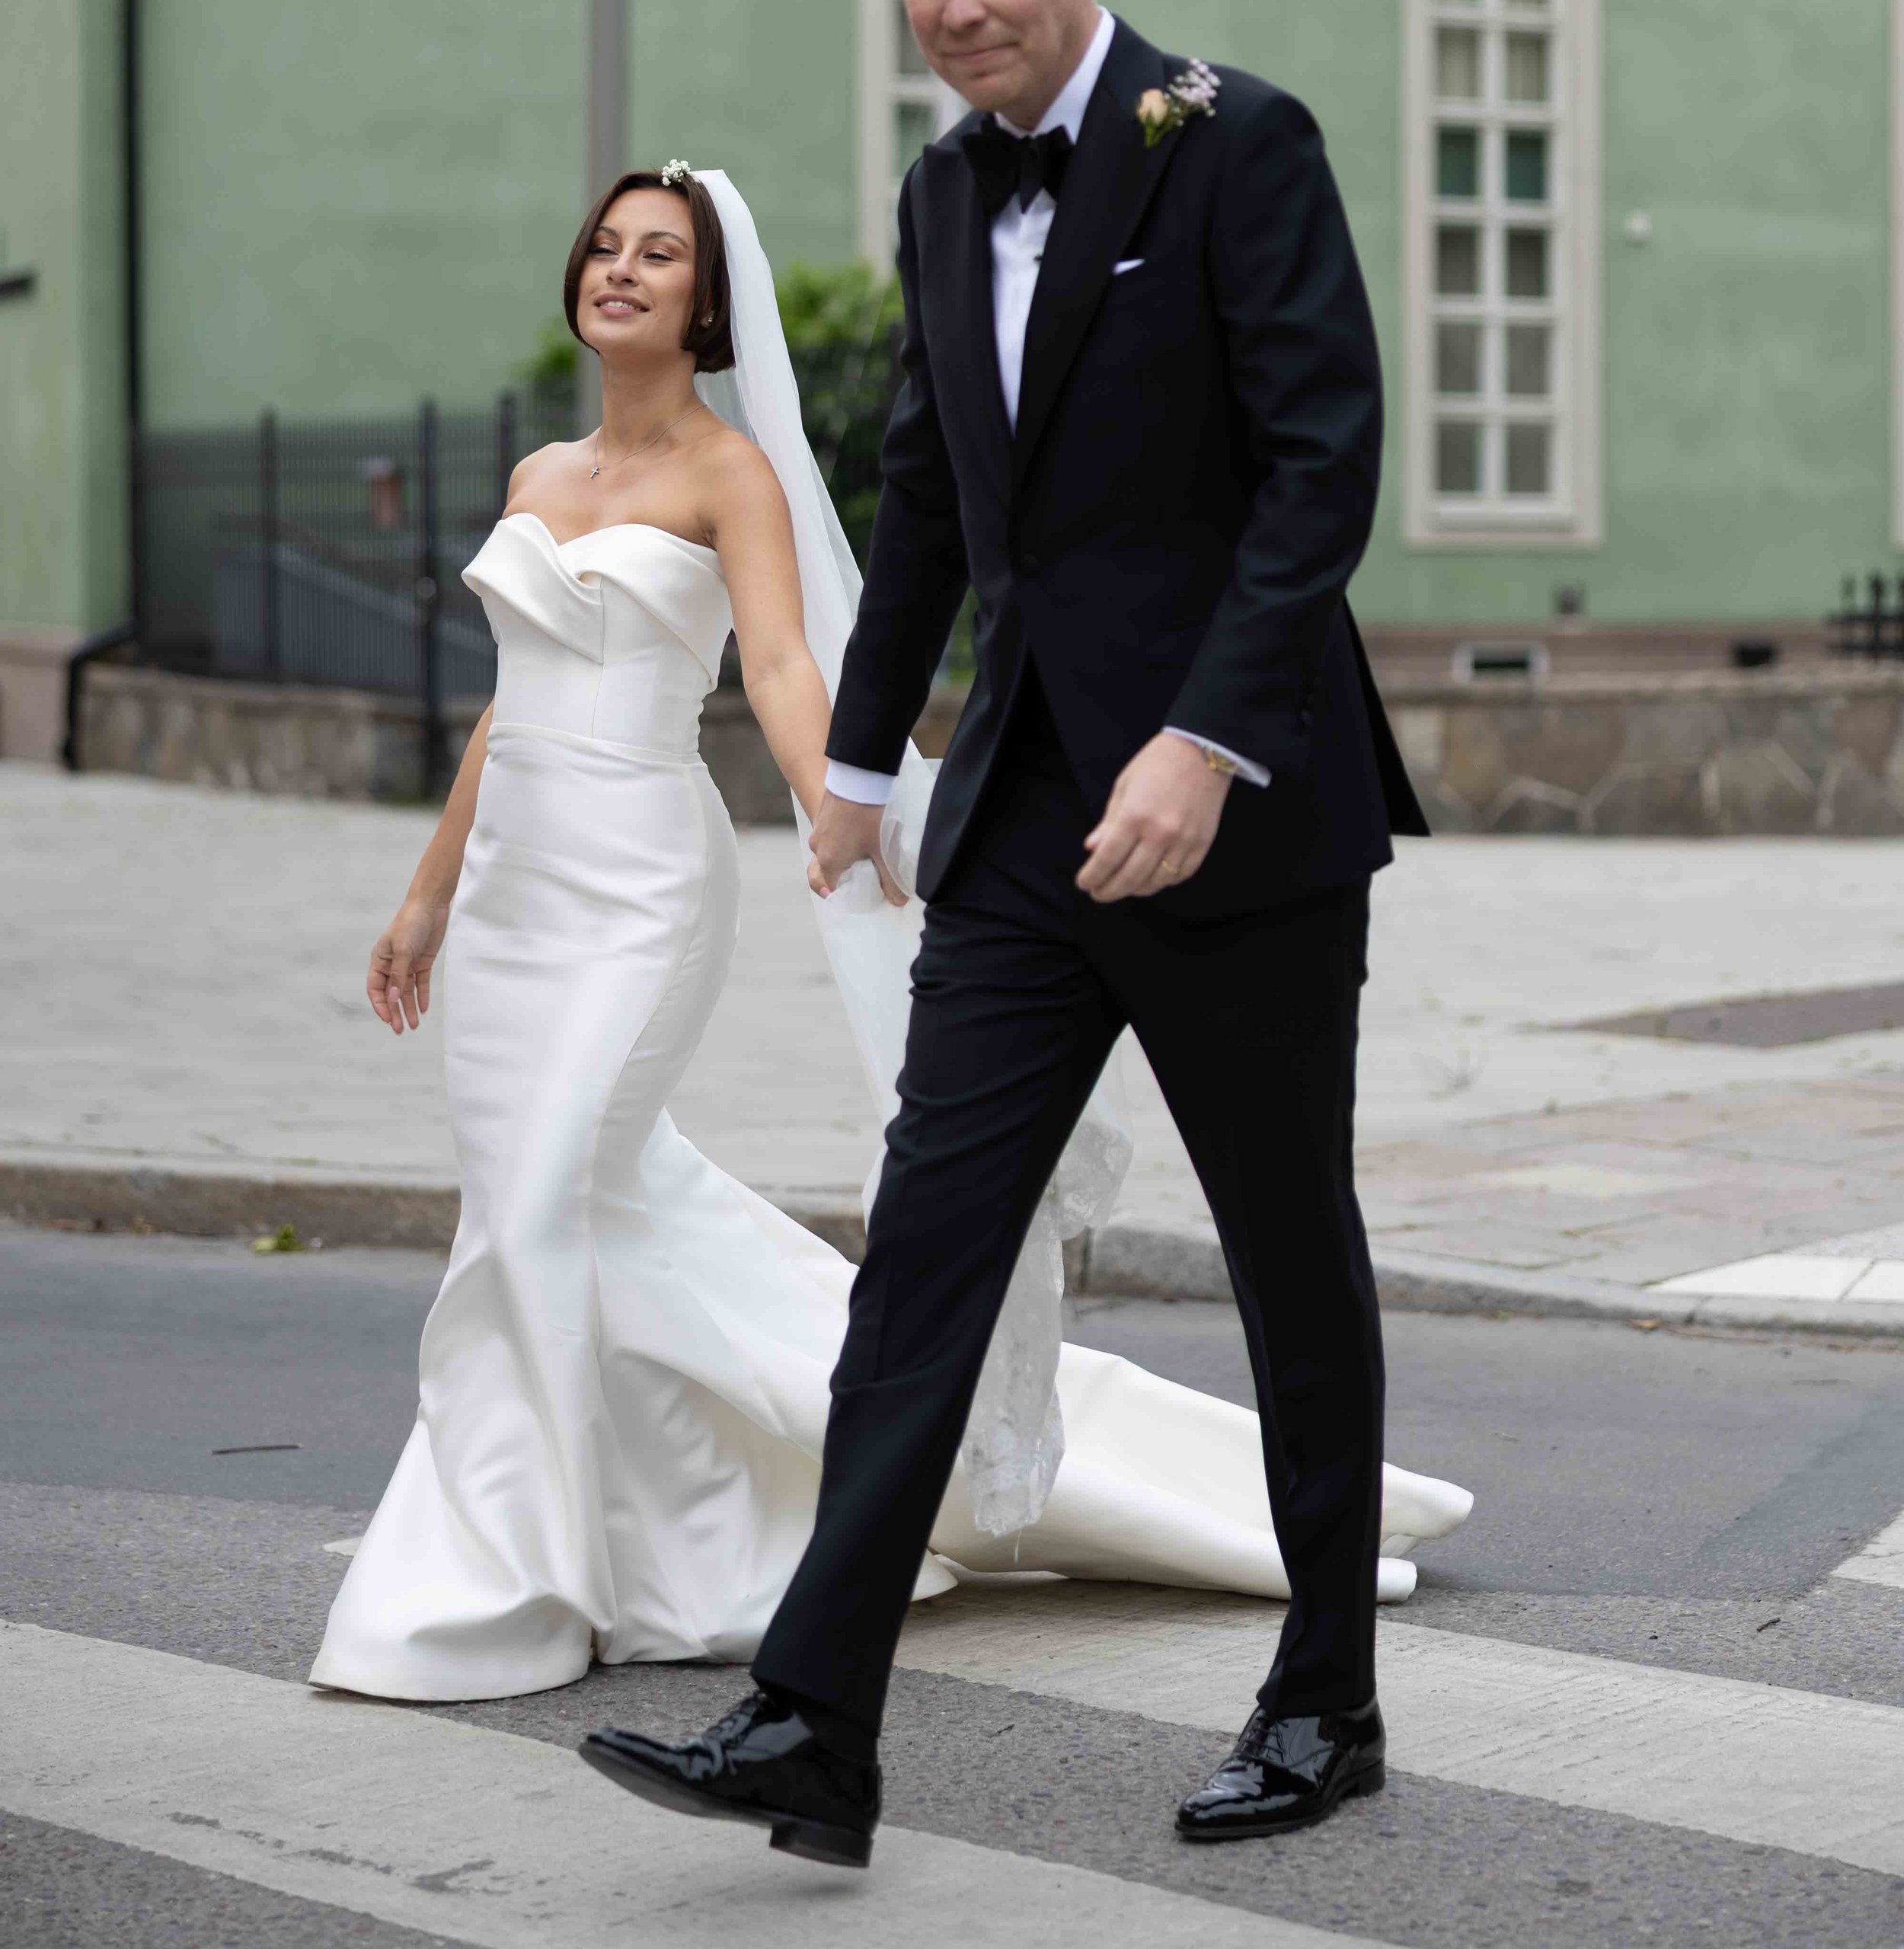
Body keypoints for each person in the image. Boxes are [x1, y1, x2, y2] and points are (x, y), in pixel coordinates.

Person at [311, 148, 1466, 1721]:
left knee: (554, 1192)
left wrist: (844, 810)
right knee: (540, 1208)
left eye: (659, 253)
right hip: (516, 890)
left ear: (708, 304)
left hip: (641, 890)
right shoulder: (535, 477)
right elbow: (509, 711)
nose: (622, 269)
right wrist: (428, 895)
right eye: (606, 246)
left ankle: (515, 1564)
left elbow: (785, 668)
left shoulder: (731, 474)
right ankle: (616, 1528)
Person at [579, 0, 1433, 1866]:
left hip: (1240, 815)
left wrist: (1204, 739)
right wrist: (861, 763)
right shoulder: (944, 187)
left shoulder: (1238, 140)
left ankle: (1323, 1698)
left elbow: (1321, 467)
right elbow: (931, 488)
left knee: (1283, 1253)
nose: (955, 5)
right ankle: (812, 1717)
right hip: (1025, 817)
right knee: (926, 1252)